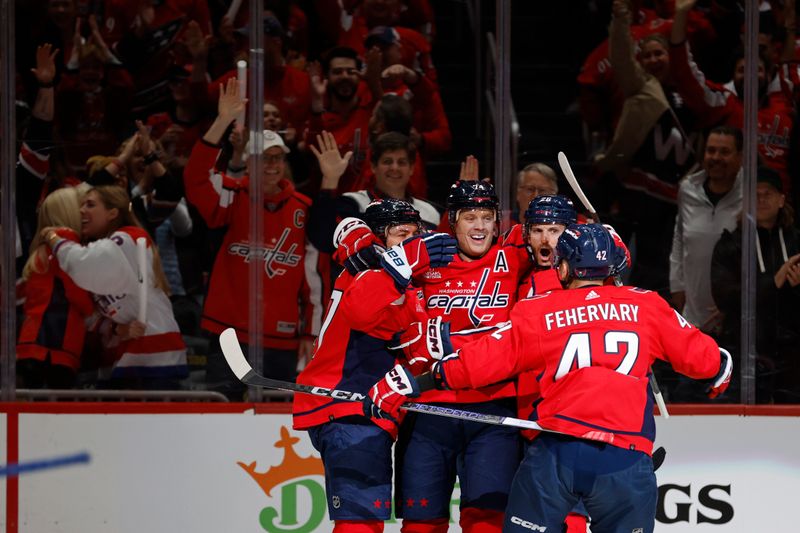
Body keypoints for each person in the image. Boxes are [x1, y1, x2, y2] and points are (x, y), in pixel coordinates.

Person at [366, 223, 733, 533]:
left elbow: (479, 362)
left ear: (563, 269)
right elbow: (707, 363)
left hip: (558, 454)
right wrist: (720, 370)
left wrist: (421, 380)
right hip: (625, 458)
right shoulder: (647, 305)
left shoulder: (540, 310)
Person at [293, 201, 456, 533]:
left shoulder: (384, 269)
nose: (412, 243)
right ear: (382, 240)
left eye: (416, 235)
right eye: (402, 235)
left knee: (367, 522)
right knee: (360, 525)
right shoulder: (370, 271)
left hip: (367, 409)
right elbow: (364, 313)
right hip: (347, 404)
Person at [392, 179, 531, 533]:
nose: (480, 226)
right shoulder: (428, 256)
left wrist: (599, 230)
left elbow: (554, 235)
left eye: (487, 217)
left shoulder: (512, 253)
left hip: (493, 410)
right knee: (421, 523)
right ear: (451, 221)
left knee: (485, 523)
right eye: (470, 217)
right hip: (428, 409)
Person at [183, 77, 320, 399]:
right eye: (262, 158)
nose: (270, 165)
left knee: (278, 421)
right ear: (249, 162)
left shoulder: (304, 209)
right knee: (223, 414)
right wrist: (221, 122)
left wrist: (310, 333)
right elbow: (195, 179)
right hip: (229, 332)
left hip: (282, 338)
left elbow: (313, 279)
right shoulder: (232, 196)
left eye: (276, 157)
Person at [43, 185, 188, 388]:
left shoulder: (128, 237)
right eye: (81, 205)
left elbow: (83, 264)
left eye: (90, 205)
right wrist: (117, 328)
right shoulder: (100, 250)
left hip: (154, 356)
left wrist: (54, 238)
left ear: (112, 213)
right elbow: (95, 316)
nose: (82, 210)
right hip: (123, 359)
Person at [711, 167, 800, 403]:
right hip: (747, 349)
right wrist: (774, 281)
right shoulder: (731, 243)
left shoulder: (796, 241)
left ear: (782, 200)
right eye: (755, 194)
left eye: (767, 193)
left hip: (792, 351)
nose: (761, 199)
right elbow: (724, 296)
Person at [307, 130, 441, 256]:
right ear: (373, 166)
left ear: (411, 168)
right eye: (387, 161)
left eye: (401, 162)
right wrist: (330, 179)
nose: (394, 168)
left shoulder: (429, 213)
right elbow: (323, 241)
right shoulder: (353, 204)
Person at [17, 187, 95, 389]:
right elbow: (75, 289)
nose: (85, 212)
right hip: (55, 341)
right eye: (82, 206)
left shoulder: (42, 247)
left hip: (34, 339)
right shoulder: (64, 242)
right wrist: (92, 310)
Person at [669, 126, 742, 334]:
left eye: (725, 152)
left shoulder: (750, 193)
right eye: (711, 151)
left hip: (734, 316)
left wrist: (734, 305)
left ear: (740, 157)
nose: (716, 157)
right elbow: (679, 239)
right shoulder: (688, 188)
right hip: (691, 313)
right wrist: (676, 286)